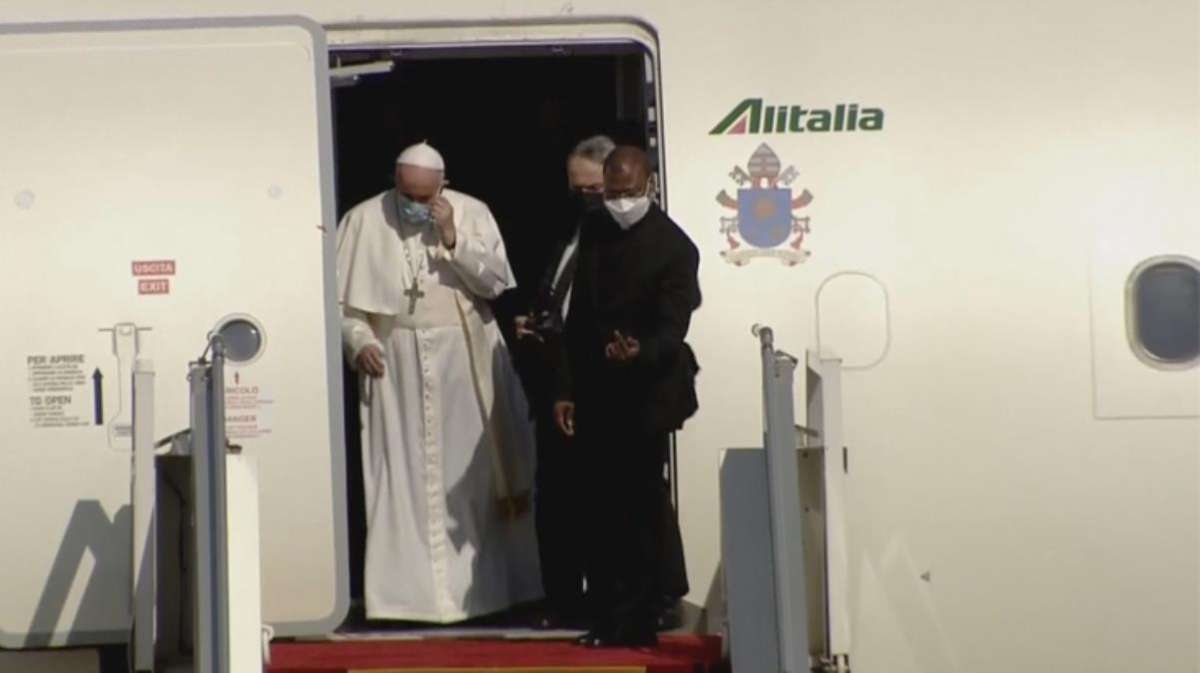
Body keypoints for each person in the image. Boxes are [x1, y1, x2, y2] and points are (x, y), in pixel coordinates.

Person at [336, 141, 542, 623]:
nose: (415, 204)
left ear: (443, 187)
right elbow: (342, 307)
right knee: (400, 476)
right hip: (396, 364)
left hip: (463, 360)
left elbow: (494, 285)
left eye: (426, 197)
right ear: (394, 181)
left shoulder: (473, 213)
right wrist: (359, 341)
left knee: (467, 481)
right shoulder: (363, 220)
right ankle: (406, 599)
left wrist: (453, 238)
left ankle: (484, 594)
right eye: (408, 193)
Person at [552, 146, 701, 647]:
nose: (619, 202)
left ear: (650, 186)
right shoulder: (594, 232)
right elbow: (577, 321)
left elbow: (673, 326)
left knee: (637, 506)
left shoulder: (674, 247)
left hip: (647, 393)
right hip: (596, 390)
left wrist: (640, 350)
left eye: (629, 193)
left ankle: (638, 619)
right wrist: (565, 389)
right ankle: (608, 615)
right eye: (612, 193)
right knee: (598, 507)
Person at [513, 135, 614, 629]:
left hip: (597, 390)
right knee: (555, 501)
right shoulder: (569, 233)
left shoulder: (622, 240)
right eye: (576, 188)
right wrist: (537, 322)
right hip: (554, 385)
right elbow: (559, 299)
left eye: (592, 187)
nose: (584, 197)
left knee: (601, 503)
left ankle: (609, 601)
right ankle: (564, 598)